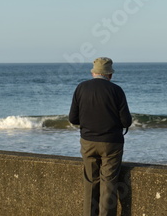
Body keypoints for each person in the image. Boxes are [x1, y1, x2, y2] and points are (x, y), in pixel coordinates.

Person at [69, 57, 132, 216]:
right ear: (109, 74)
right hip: (111, 143)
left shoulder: (81, 88)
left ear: (93, 72)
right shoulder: (116, 90)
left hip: (88, 142)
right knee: (108, 184)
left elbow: (73, 119)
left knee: (90, 183)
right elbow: (126, 121)